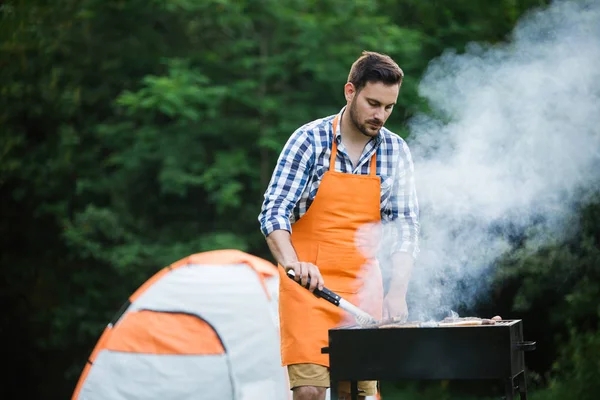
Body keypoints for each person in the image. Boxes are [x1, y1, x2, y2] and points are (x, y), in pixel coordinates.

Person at [258, 51, 420, 400]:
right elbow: (274, 211)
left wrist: (397, 290)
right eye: (373, 103)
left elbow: (405, 227)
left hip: (363, 290)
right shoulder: (309, 140)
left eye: (389, 107)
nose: (380, 115)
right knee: (310, 392)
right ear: (350, 91)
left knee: (359, 395)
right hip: (306, 287)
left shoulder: (396, 151)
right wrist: (291, 262)